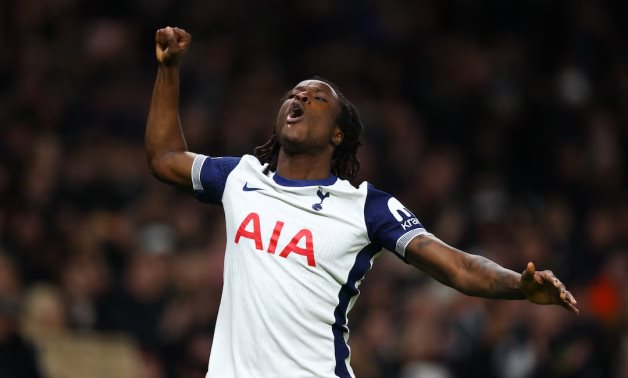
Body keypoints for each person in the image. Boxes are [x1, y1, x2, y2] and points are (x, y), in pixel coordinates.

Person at [145, 27, 579, 378]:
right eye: (294, 94)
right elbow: (164, 159)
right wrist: (169, 71)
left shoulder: (364, 206)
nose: (300, 98)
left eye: (317, 98)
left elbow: (458, 266)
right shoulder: (241, 177)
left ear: (338, 134)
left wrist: (518, 285)